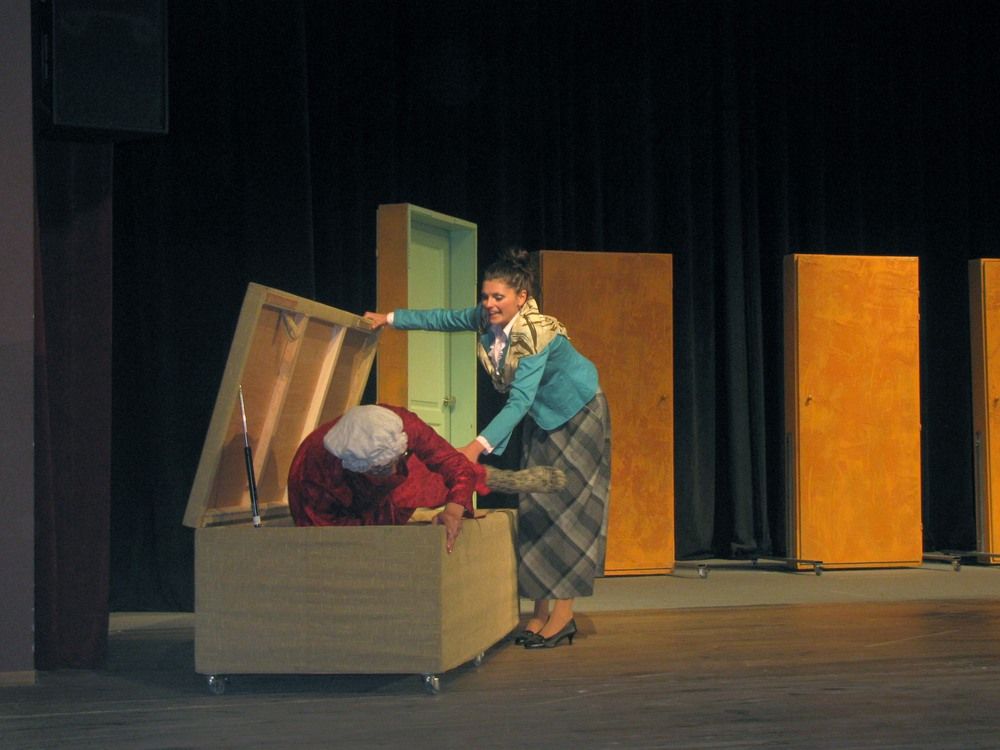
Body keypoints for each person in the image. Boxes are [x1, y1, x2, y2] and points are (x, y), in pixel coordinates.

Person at [365, 248, 611, 649]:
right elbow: (442, 319)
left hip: (578, 413)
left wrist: (476, 446)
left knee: (567, 508)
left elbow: (519, 401)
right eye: (485, 296)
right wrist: (389, 319)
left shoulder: (537, 333)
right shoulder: (487, 319)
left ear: (522, 297)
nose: (490, 304)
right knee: (535, 505)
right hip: (544, 417)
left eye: (499, 297)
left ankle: (563, 615)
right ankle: (539, 612)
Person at [287, 403, 487, 553]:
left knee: (431, 482)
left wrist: (454, 509)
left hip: (380, 492)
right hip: (345, 508)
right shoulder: (311, 474)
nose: (392, 472)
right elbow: (324, 539)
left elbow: (455, 464)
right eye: (381, 469)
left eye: (397, 460)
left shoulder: (405, 426)